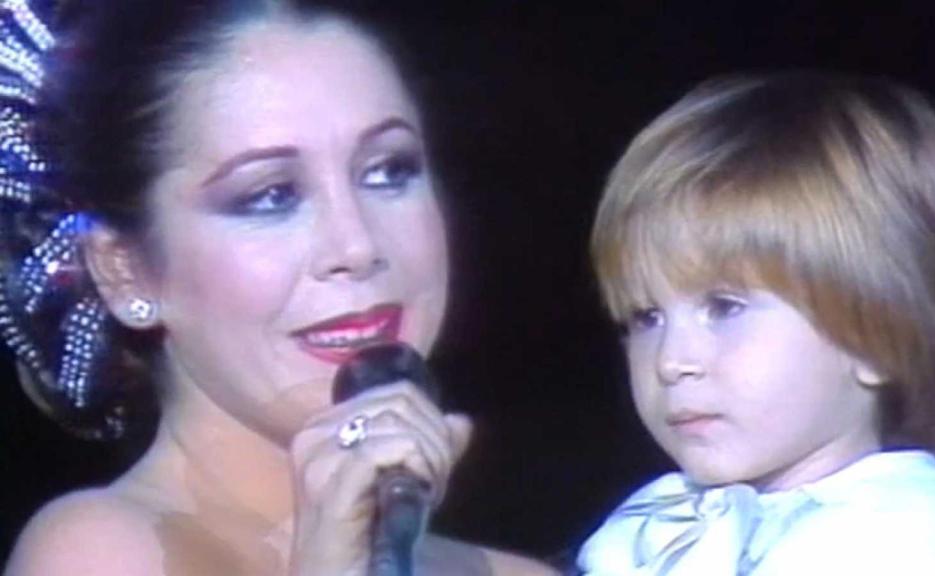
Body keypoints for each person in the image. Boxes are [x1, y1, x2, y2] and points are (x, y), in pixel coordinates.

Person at [0, 1, 556, 574]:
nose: (357, 245)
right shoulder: (97, 553)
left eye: (389, 170)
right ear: (125, 270)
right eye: (270, 195)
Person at [578, 71, 935, 574]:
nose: (671, 361)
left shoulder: (922, 540)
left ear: (876, 337)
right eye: (646, 317)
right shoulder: (654, 521)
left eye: (725, 307)